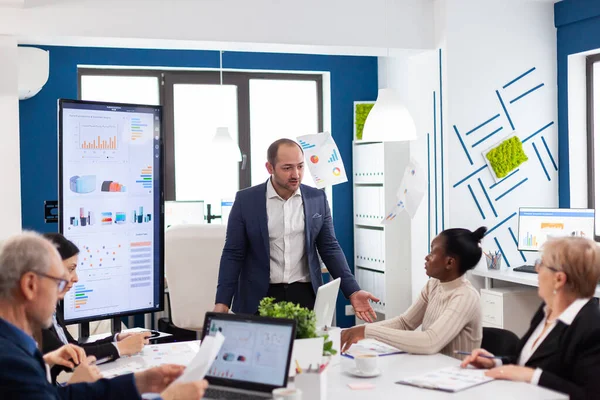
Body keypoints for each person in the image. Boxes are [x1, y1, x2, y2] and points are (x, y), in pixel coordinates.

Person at [0, 231, 208, 400]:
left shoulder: (16, 347)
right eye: (59, 282)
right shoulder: (12, 363)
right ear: (30, 285)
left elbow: (58, 396)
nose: (63, 291)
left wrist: (141, 382)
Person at [214, 138, 379, 321]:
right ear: (270, 168)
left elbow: (330, 248)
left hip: (304, 295)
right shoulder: (246, 200)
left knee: (307, 348)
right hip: (258, 297)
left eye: (300, 166)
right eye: (287, 168)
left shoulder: (317, 199)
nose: (296, 174)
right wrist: (222, 301)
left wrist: (353, 290)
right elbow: (233, 253)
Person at [461, 236, 600, 400]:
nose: (537, 270)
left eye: (541, 264)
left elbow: (589, 395)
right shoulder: (547, 310)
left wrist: (532, 376)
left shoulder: (592, 328)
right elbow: (528, 361)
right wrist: (495, 362)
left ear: (559, 279)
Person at [341, 227, 486, 358]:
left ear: (450, 263)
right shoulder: (433, 285)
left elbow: (430, 342)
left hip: (458, 379)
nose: (426, 257)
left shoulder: (466, 296)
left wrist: (367, 332)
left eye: (432, 252)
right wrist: (356, 330)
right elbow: (404, 323)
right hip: (433, 370)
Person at [41, 232, 150, 383]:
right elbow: (69, 358)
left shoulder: (53, 306)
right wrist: (120, 347)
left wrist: (115, 339)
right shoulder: (35, 316)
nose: (76, 277)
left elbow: (73, 347)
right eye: (70, 269)